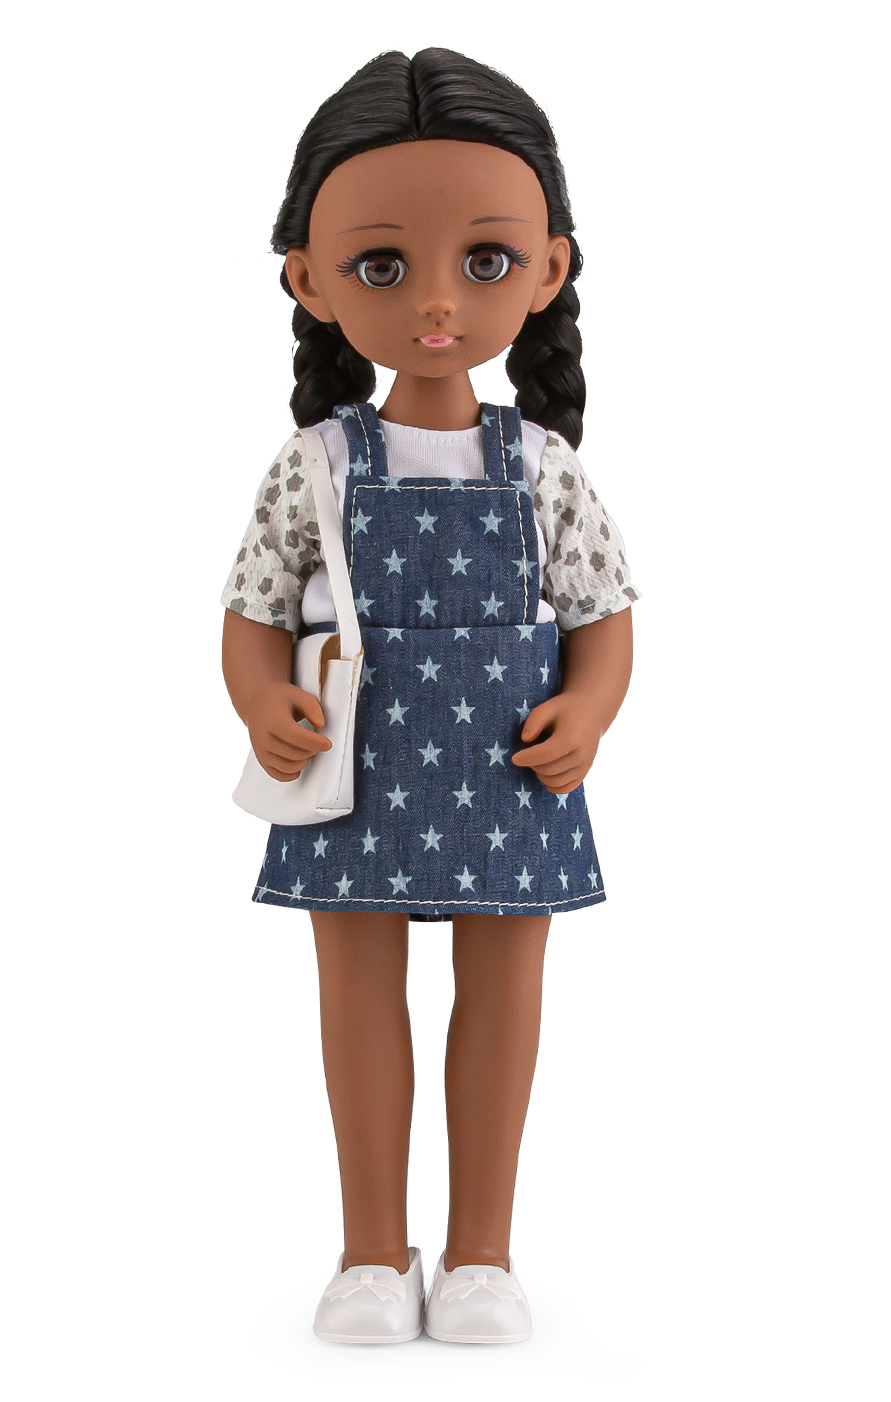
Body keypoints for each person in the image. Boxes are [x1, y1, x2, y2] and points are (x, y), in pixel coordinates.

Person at [221, 48, 640, 1345]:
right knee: (357, 995)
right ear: (307, 277)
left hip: (510, 761)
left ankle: (481, 1253)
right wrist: (260, 700)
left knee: (502, 994)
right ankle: (368, 1252)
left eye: (487, 259)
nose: (440, 302)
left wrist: (589, 709)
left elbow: (602, 614)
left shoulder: (543, 463)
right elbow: (253, 608)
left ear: (550, 268)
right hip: (353, 761)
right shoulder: (315, 462)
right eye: (383, 267)